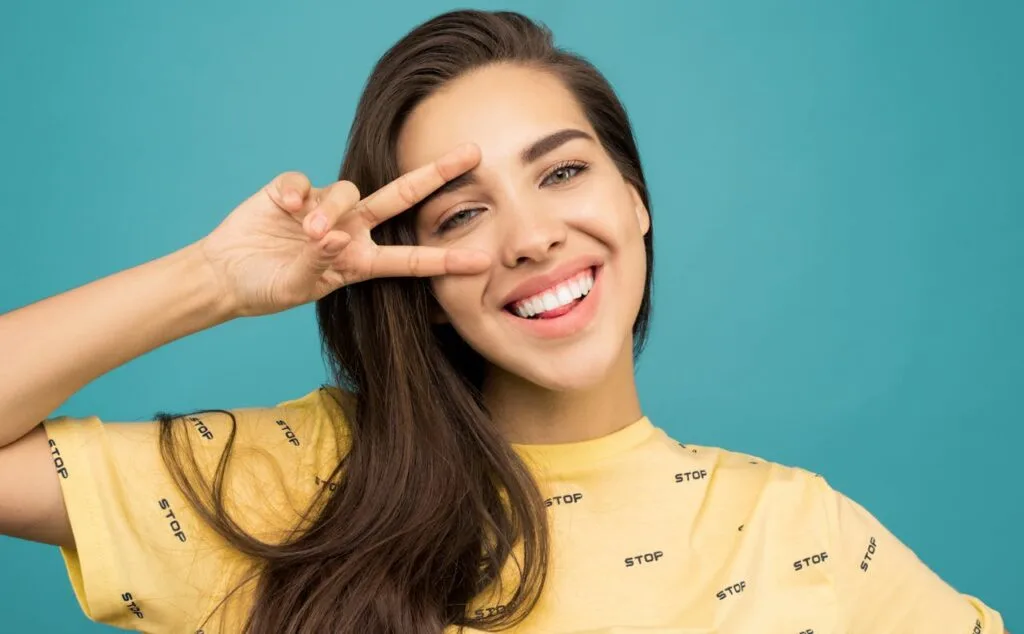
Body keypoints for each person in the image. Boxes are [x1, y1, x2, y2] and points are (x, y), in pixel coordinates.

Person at [0, 9, 1008, 634]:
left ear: (635, 200)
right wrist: (213, 277)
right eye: (462, 213)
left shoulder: (802, 532)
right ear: (419, 279)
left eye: (563, 171)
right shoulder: (306, 483)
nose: (531, 238)